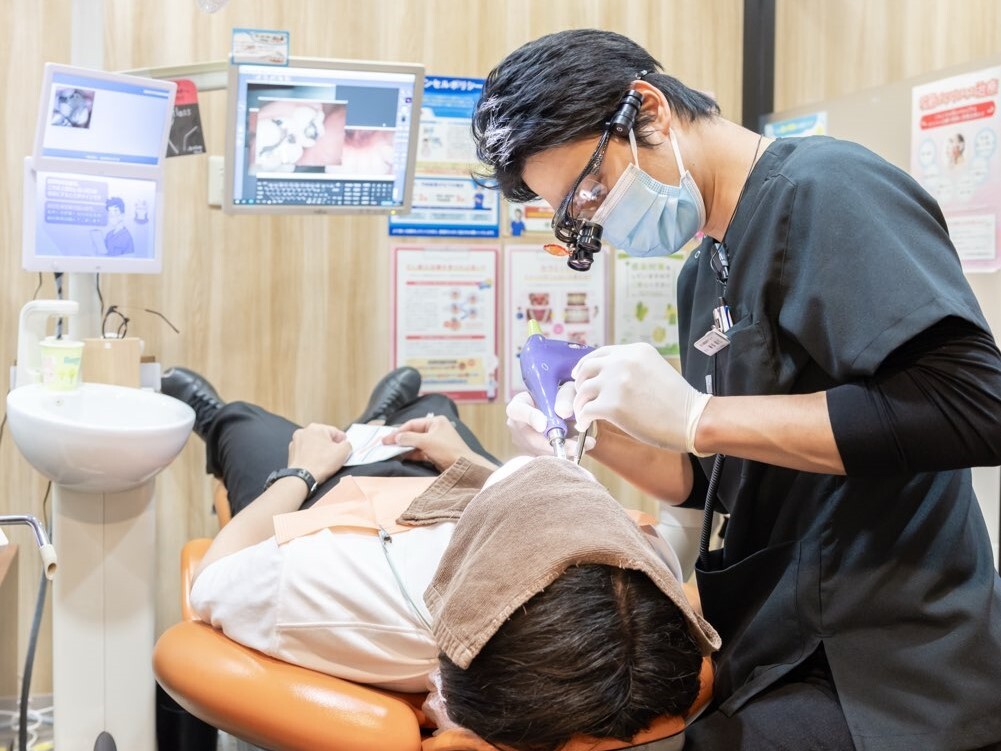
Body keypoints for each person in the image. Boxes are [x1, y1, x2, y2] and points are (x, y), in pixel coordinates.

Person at [473, 29, 1001, 751]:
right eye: (576, 214)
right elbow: (715, 480)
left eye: (590, 189)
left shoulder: (827, 188)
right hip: (778, 632)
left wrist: (698, 414)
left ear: (648, 110)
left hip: (894, 658)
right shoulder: (705, 272)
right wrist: (596, 434)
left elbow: (972, 405)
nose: (596, 217)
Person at [158, 365, 720, 751]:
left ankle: (218, 419)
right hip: (465, 489)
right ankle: (384, 418)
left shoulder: (337, 592)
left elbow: (211, 578)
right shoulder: (642, 572)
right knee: (435, 411)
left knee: (248, 426)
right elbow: (556, 503)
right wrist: (467, 462)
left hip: (333, 504)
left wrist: (301, 471)